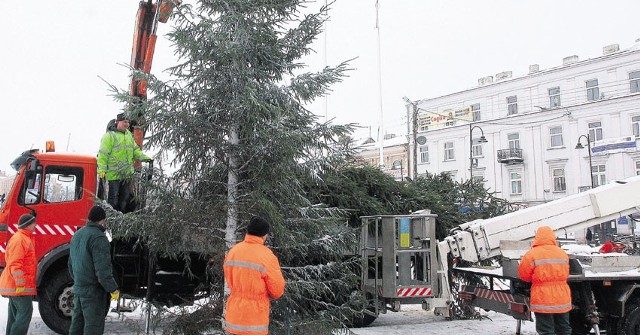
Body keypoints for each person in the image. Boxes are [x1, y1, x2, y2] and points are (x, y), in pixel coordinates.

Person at [223, 216, 286, 335]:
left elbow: (229, 277)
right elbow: (277, 290)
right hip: (254, 322)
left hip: (234, 319)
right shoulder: (266, 256)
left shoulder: (233, 252)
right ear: (264, 235)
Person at [68, 206, 120, 335]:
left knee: (76, 327)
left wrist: (80, 282)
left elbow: (70, 264)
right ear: (102, 220)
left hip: (79, 290)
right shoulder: (99, 238)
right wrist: (113, 288)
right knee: (93, 329)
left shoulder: (77, 235)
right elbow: (103, 271)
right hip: (93, 293)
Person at [518, 226, 572, 335]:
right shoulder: (562, 253)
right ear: (552, 237)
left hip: (542, 298)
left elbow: (524, 275)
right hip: (562, 297)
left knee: (546, 331)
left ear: (537, 237)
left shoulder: (532, 254)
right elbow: (566, 272)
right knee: (564, 329)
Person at [97, 112, 151, 212]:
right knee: (113, 201)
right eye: (124, 122)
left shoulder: (129, 135)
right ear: (118, 122)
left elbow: (135, 151)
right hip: (114, 175)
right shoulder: (109, 136)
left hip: (126, 175)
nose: (127, 124)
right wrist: (102, 170)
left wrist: (146, 158)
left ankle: (121, 219)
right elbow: (103, 154)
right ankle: (112, 221)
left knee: (124, 200)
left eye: (128, 122)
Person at [0, 214, 37, 335]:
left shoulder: (22, 238)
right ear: (27, 225)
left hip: (17, 286)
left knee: (14, 315)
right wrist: (20, 284)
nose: (35, 225)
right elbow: (15, 264)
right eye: (33, 223)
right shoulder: (20, 239)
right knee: (25, 313)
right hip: (19, 287)